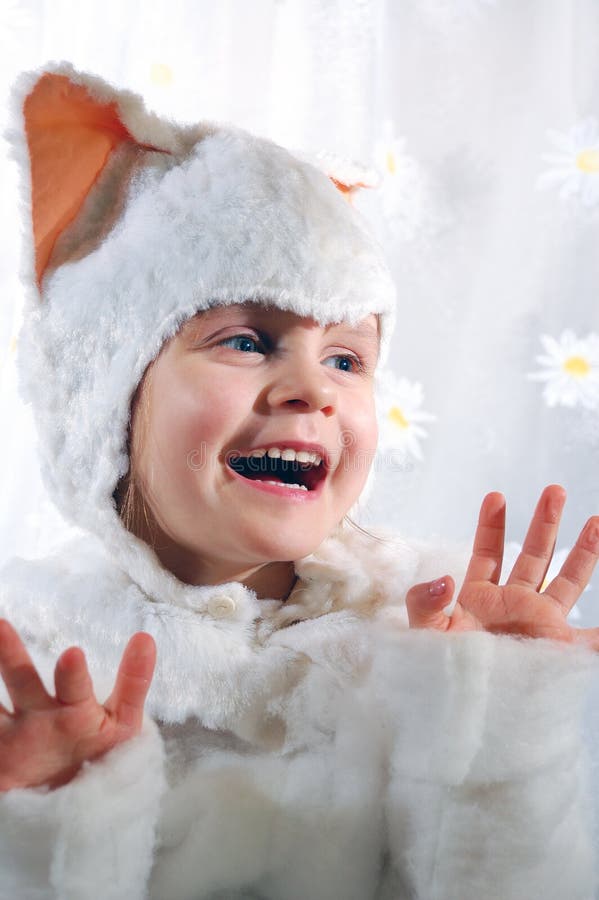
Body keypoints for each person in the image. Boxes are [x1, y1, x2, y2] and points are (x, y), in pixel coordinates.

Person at [0, 61, 597, 900]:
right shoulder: (33, 654)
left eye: (347, 359)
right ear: (108, 405)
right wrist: (52, 831)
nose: (312, 389)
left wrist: (496, 735)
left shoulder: (431, 635)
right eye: (246, 339)